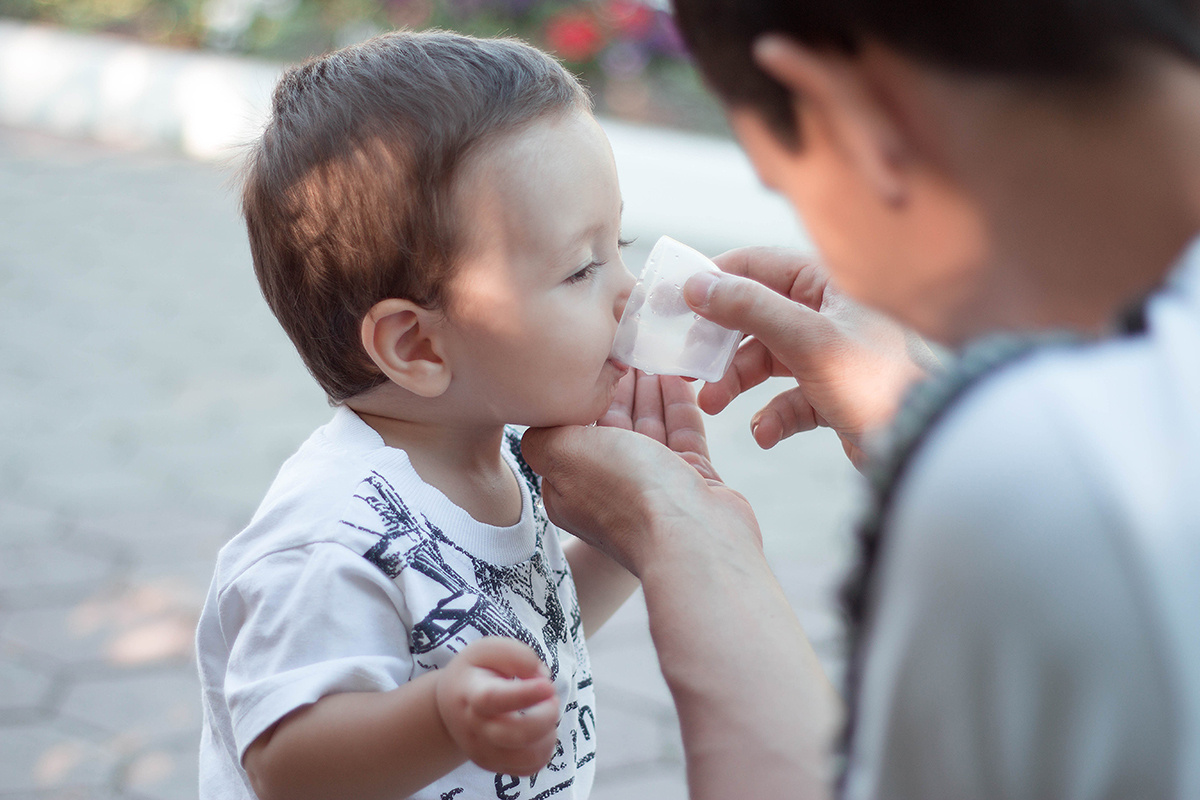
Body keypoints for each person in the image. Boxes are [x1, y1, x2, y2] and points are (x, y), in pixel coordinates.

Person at [520, 0, 1200, 798]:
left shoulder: (1051, 472)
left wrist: (681, 533)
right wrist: (902, 410)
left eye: (784, 185)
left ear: (840, 110)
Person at [195, 30, 657, 800]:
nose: (630, 292)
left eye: (619, 243)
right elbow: (285, 763)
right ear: (417, 345)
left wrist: (631, 537)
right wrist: (443, 719)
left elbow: (536, 624)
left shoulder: (502, 459)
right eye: (582, 268)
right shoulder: (332, 537)